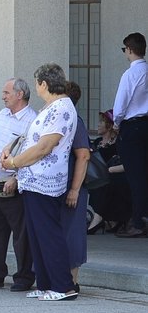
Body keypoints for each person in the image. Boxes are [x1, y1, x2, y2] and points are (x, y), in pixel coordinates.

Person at [0, 63, 78, 301]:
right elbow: (31, 138)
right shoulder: (50, 106)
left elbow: (44, 146)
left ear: (44, 83)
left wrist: (14, 163)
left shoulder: (62, 108)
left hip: (46, 178)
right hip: (32, 180)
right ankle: (45, 284)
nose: (37, 88)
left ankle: (63, 286)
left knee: (48, 234)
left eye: (37, 83)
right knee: (36, 235)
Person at [0, 78, 37, 292]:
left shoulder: (32, 120)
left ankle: (24, 277)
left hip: (13, 184)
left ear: (19, 95)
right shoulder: (3, 114)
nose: (3, 96)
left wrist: (17, 177)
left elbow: (33, 154)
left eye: (6, 92)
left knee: (21, 234)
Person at [111, 32, 148, 238]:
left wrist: (117, 124)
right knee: (144, 173)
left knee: (135, 176)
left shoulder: (130, 74)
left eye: (125, 49)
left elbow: (120, 105)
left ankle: (137, 221)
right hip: (146, 125)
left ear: (130, 49)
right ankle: (142, 218)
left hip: (132, 126)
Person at [64, 81, 91, 292]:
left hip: (72, 187)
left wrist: (74, 189)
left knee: (72, 232)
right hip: (58, 186)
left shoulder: (75, 121)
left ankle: (72, 280)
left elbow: (83, 156)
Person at [88, 109, 132, 233]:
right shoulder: (97, 142)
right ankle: (110, 220)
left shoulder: (118, 144)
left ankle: (98, 218)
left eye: (101, 122)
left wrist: (109, 169)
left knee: (104, 184)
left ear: (109, 126)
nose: (98, 124)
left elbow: (127, 164)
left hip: (117, 175)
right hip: (97, 175)